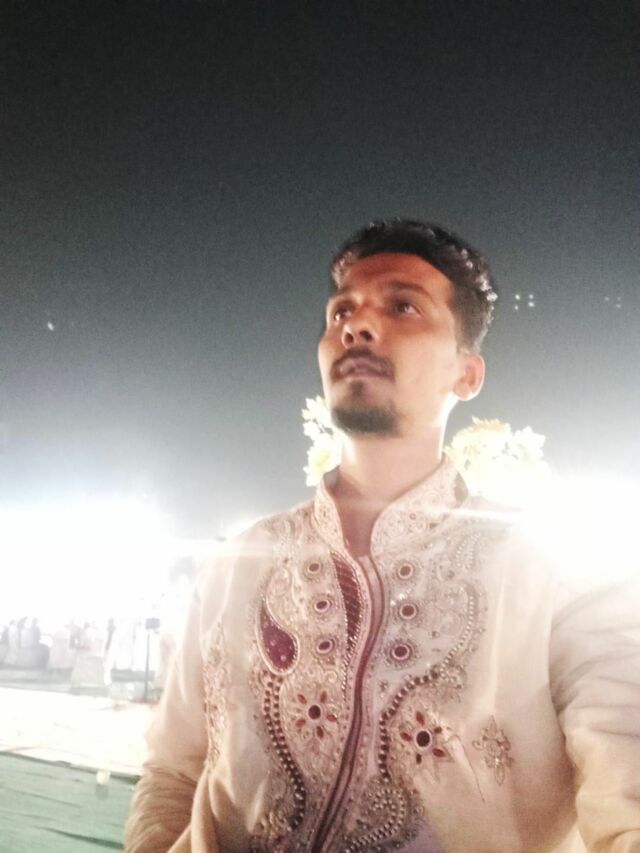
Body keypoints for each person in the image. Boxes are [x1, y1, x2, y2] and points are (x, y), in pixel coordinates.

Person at [125, 219, 640, 852]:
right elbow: (172, 771)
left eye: (403, 306)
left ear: (467, 375)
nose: (357, 325)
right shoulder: (240, 565)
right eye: (341, 311)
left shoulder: (559, 579)